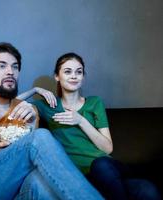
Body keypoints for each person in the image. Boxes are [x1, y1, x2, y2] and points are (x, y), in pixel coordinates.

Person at [0, 43, 103, 200]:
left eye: (15, 66)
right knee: (40, 137)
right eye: (2, 66)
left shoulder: (26, 110)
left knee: (42, 185)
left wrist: (32, 122)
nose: (11, 71)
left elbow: (28, 158)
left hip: (14, 187)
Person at [17, 52, 161, 200]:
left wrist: (80, 120)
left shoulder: (94, 103)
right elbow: (10, 105)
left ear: (83, 77)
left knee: (101, 165)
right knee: (147, 190)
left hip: (107, 169)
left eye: (79, 72)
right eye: (67, 71)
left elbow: (107, 148)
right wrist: (35, 90)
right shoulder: (48, 106)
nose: (74, 76)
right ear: (57, 76)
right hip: (78, 177)